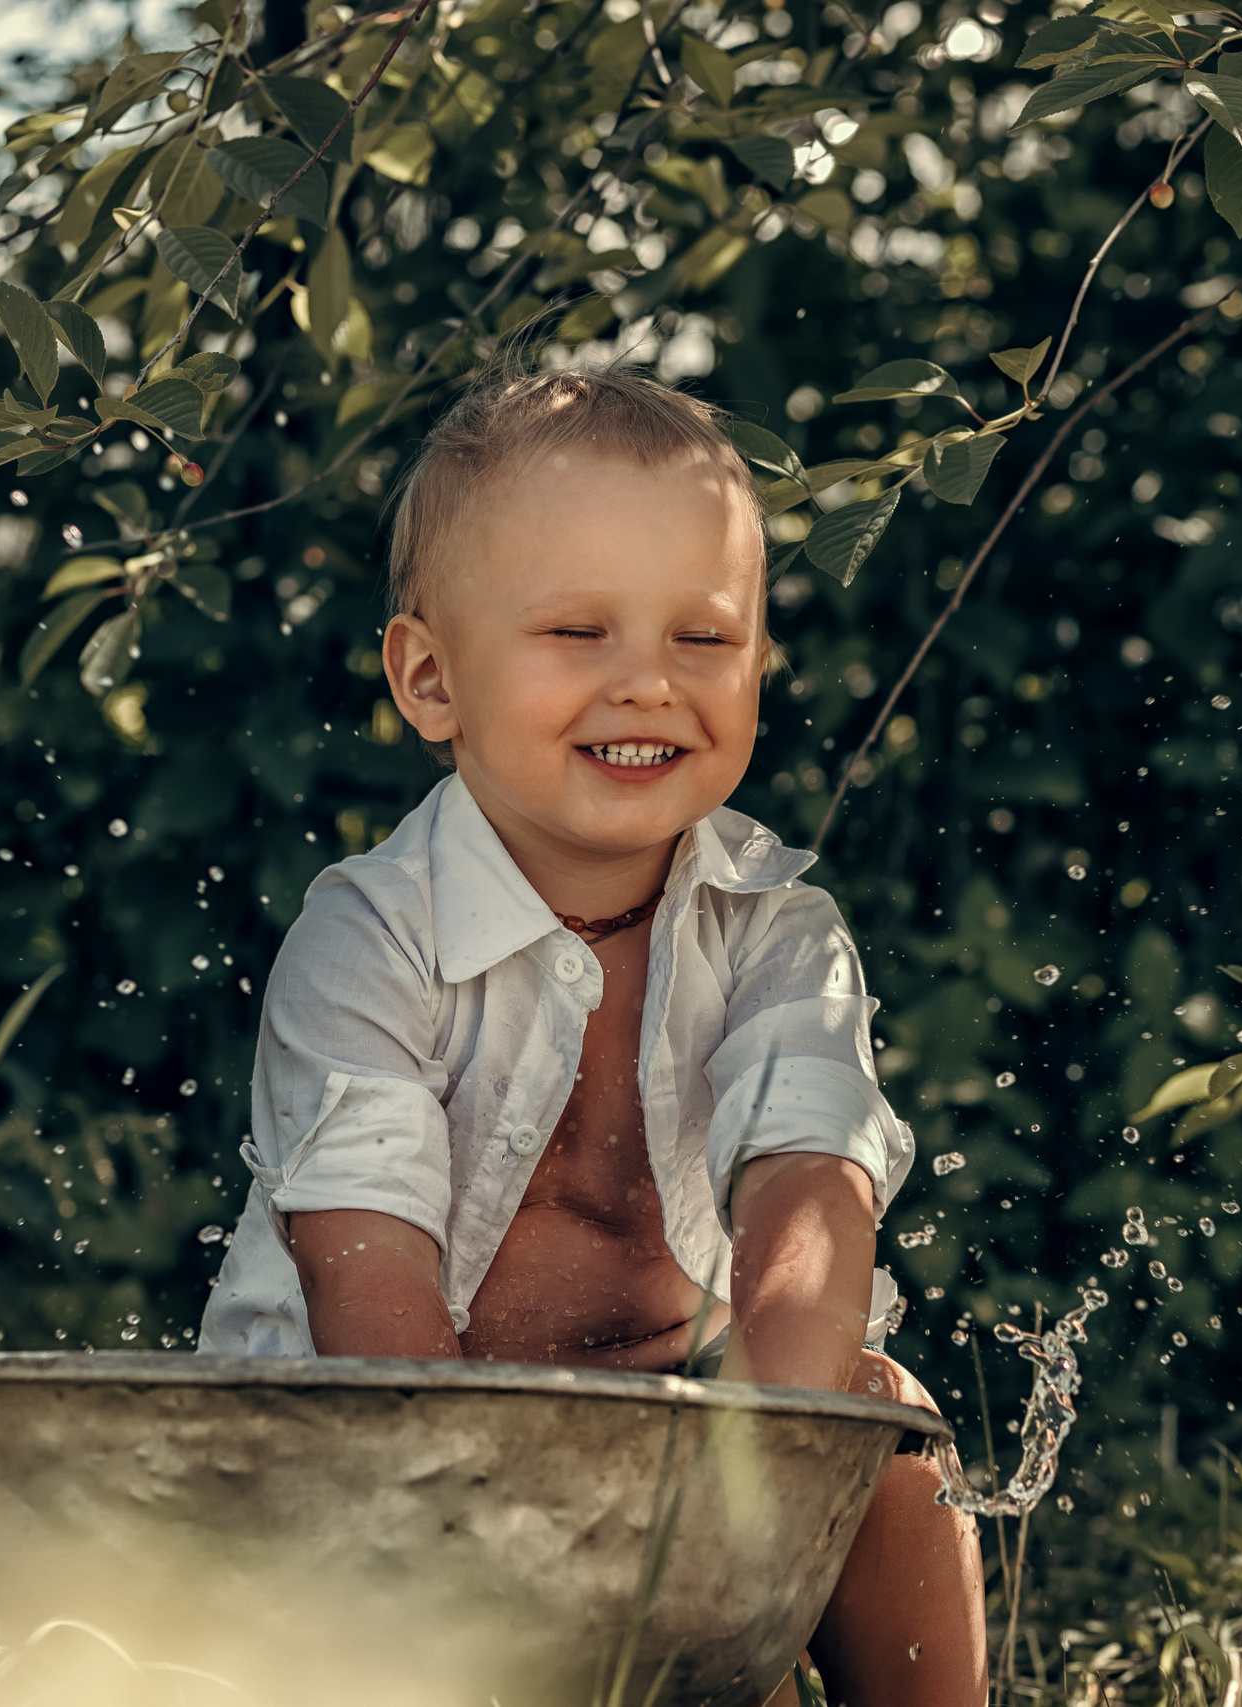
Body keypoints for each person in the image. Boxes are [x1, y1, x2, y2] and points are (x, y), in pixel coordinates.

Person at [197, 362, 984, 1705]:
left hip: (677, 1444)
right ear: (431, 679)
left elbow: (813, 1192)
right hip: (382, 1455)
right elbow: (365, 1284)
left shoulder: (776, 932)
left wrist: (773, 1476)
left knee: (890, 1436)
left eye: (704, 637)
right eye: (578, 635)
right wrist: (482, 1529)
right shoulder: (369, 943)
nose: (649, 687)